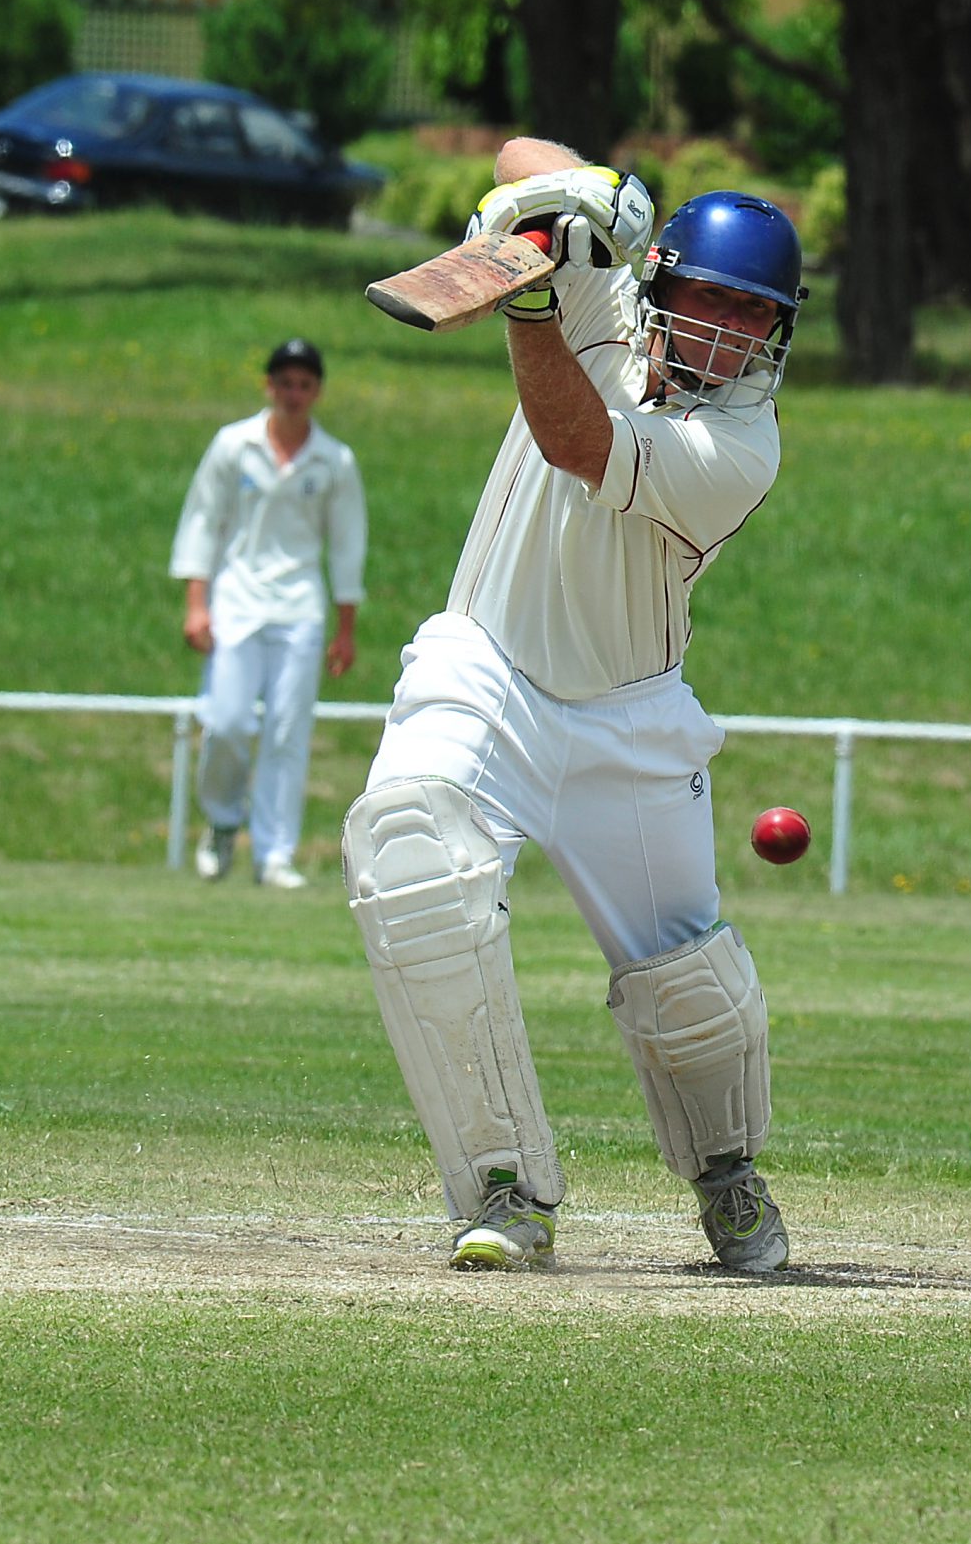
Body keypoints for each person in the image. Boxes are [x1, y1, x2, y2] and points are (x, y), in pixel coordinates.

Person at [339, 139, 805, 1274]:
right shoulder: (609, 292)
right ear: (663, 281)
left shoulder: (739, 446)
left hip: (630, 715)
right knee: (410, 862)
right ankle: (503, 1188)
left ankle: (726, 1174)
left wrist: (531, 296)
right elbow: (519, 153)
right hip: (483, 664)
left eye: (753, 315)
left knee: (686, 983)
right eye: (710, 299)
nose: (727, 332)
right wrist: (591, 196)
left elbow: (574, 439)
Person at [170, 337, 366, 891]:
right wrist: (196, 604)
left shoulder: (334, 460)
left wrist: (345, 629)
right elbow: (203, 521)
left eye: (304, 384)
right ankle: (222, 822)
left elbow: (347, 545)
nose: (293, 394)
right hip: (237, 602)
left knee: (286, 730)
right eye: (285, 383)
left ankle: (275, 853)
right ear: (268, 386)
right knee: (227, 721)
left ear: (317, 392)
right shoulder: (234, 445)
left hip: (299, 607)